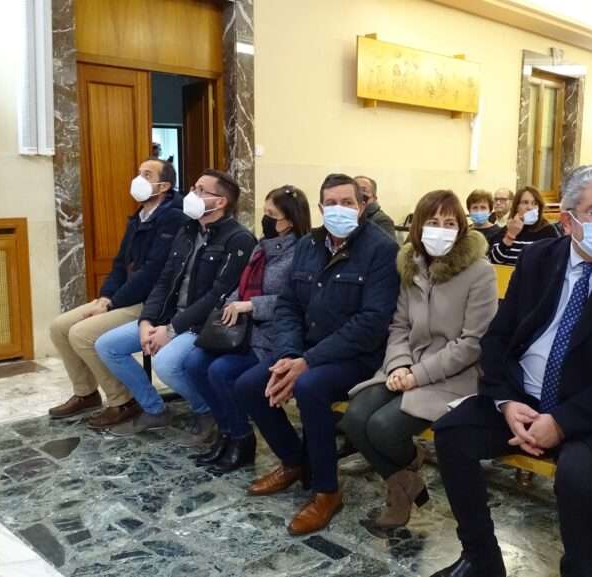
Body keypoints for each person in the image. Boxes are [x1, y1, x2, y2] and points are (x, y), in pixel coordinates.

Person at [430, 164, 592, 577]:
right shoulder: (538, 260)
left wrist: (562, 422)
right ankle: (481, 557)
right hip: (526, 402)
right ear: (568, 220)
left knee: (580, 472)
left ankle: (581, 569)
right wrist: (507, 401)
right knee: (453, 432)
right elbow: (497, 339)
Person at [234, 173, 399, 536]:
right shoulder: (309, 245)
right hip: (305, 350)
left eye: (348, 202)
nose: (339, 209)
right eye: (332, 204)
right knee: (249, 384)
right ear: (321, 208)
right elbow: (289, 305)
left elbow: (371, 323)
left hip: (357, 357)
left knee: (309, 387)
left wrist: (306, 362)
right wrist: (290, 354)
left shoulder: (381, 249)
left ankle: (327, 491)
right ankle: (294, 462)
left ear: (362, 206)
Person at [340, 190, 497, 529]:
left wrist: (417, 375)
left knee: (383, 428)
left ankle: (399, 492)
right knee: (355, 420)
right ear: (418, 227)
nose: (441, 230)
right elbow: (399, 325)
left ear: (461, 229)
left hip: (453, 374)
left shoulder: (479, 272)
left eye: (450, 223)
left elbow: (472, 343)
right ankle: (407, 480)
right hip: (407, 364)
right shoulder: (411, 265)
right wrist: (398, 366)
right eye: (433, 222)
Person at [95, 170, 256, 443]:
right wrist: (147, 321)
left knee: (166, 363)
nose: (193, 194)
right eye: (194, 187)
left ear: (220, 202)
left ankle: (207, 410)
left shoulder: (238, 239)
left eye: (202, 190)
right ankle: (154, 409)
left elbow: (217, 295)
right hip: (169, 317)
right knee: (107, 346)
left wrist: (170, 331)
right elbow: (164, 279)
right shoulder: (187, 230)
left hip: (201, 325)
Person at [48, 159, 187, 428]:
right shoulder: (139, 216)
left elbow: (152, 273)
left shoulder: (173, 218)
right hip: (124, 297)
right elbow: (120, 263)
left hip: (150, 303)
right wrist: (105, 296)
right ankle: (85, 393)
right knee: (59, 327)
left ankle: (122, 400)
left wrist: (112, 304)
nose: (138, 179)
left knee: (82, 334)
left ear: (164, 186)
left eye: (147, 175)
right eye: (139, 173)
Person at [182, 185, 311, 473]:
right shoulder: (260, 246)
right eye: (264, 213)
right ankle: (227, 431)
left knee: (221, 371)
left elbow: (296, 300)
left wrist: (251, 305)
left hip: (272, 335)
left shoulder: (301, 252)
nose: (265, 220)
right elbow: (240, 286)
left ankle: (242, 438)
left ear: (289, 220)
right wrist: (231, 303)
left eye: (271, 215)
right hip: (242, 330)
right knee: (194, 363)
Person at [488, 185, 562, 265]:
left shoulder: (548, 231)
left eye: (534, 203)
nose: (530, 207)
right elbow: (494, 260)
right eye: (525, 202)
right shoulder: (507, 229)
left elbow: (556, 263)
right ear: (517, 207)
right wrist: (511, 235)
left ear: (539, 208)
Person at [355, 175, 397, 239]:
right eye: (355, 190)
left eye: (363, 190)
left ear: (374, 198)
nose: (358, 194)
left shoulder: (382, 220)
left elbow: (387, 247)